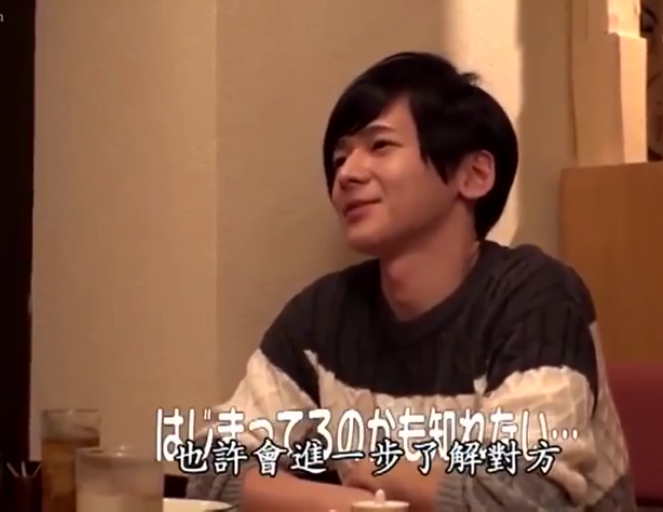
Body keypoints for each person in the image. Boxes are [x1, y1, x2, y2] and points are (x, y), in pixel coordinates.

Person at [186, 52, 636, 511]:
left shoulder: (534, 297)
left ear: (474, 175)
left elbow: (523, 498)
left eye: (380, 146)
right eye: (340, 158)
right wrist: (358, 504)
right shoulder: (322, 315)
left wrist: (378, 470)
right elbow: (209, 467)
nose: (347, 174)